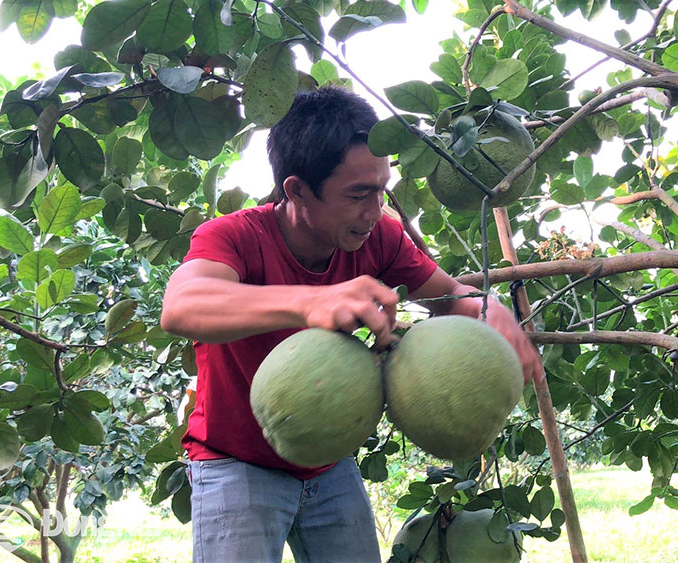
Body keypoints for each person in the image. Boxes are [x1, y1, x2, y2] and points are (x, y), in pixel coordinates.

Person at [160, 86, 543, 563]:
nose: (374, 210)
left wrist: (488, 309)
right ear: (297, 189)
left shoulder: (378, 236)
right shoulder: (234, 236)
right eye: (358, 195)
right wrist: (311, 302)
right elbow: (181, 305)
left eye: (381, 190)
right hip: (235, 463)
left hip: (328, 462)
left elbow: (451, 295)